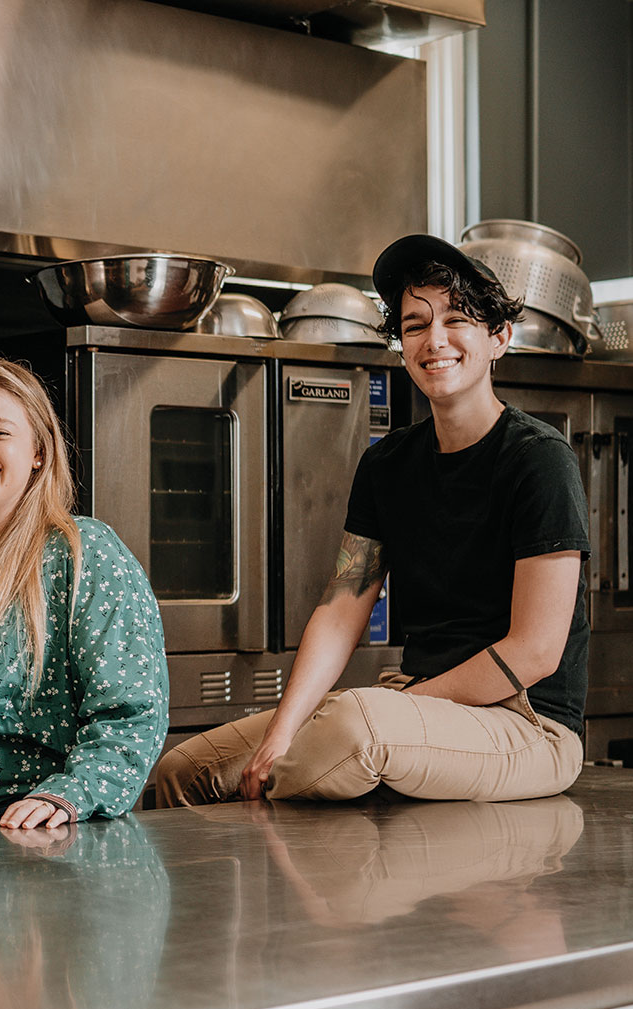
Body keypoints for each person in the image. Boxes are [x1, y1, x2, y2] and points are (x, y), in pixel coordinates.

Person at [153, 234, 589, 806]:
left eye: (457, 320)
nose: (435, 340)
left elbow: (535, 650)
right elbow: (341, 611)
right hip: (411, 704)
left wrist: (411, 705)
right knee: (183, 769)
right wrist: (282, 729)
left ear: (499, 338)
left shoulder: (538, 458)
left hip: (526, 723)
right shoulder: (387, 465)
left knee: (354, 728)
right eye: (414, 324)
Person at [0, 357, 168, 830]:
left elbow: (131, 712)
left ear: (38, 452)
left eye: (0, 434)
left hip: (44, 833)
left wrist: (69, 796)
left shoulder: (83, 554)